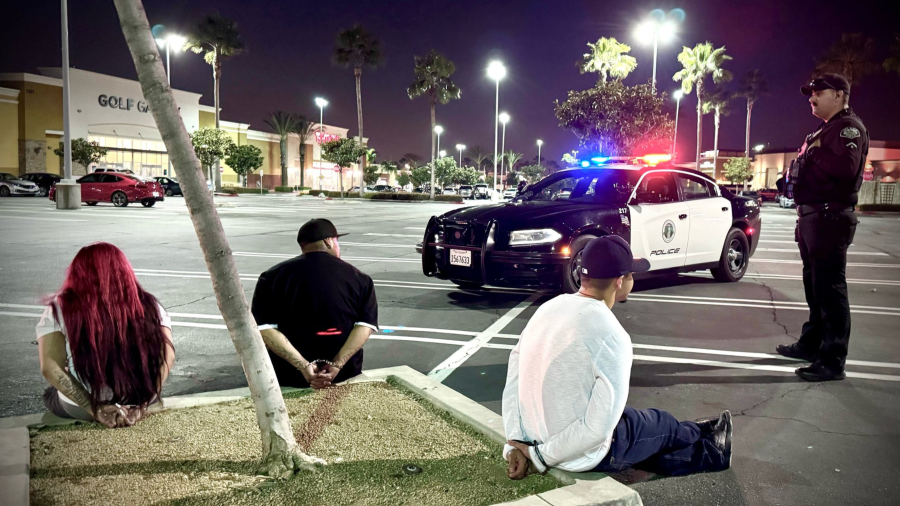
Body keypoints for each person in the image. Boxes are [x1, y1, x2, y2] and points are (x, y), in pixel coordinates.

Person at [502, 236, 732, 479]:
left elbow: (513, 380)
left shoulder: (547, 309)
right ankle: (700, 434)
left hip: (541, 436)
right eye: (632, 275)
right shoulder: (611, 334)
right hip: (581, 452)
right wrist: (540, 456)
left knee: (635, 423)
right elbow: (598, 430)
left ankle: (710, 446)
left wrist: (515, 442)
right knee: (659, 424)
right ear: (620, 282)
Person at [776, 73, 869, 382]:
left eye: (819, 92)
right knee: (815, 288)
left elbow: (845, 168)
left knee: (830, 289)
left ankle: (832, 360)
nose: (812, 97)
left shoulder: (848, 129)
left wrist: (813, 153)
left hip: (830, 219)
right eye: (810, 93)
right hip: (813, 218)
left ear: (840, 95)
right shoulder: (825, 129)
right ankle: (812, 344)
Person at [36, 242, 175, 428]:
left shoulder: (60, 307)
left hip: (85, 405)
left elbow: (50, 366)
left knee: (51, 393)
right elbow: (168, 357)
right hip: (137, 399)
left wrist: (96, 409)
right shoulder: (151, 305)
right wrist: (142, 404)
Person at [251, 218, 378, 389]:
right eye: (337, 241)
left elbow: (265, 329)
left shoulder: (272, 276)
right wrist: (336, 365)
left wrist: (303, 366)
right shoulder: (359, 278)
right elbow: (364, 326)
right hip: (345, 374)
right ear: (328, 241)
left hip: (288, 375)